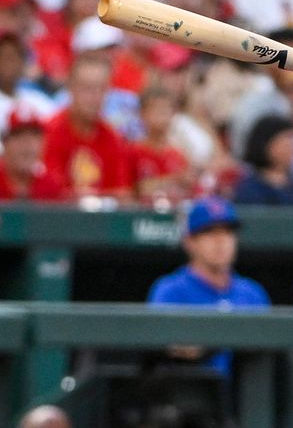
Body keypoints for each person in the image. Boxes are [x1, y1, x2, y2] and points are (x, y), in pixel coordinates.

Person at [147, 196, 270, 376]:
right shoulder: (170, 290)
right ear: (190, 242)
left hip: (246, 395)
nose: (221, 241)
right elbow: (171, 347)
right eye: (210, 232)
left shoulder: (252, 293)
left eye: (227, 232)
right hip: (191, 392)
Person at [41, 54, 131, 201]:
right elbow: (48, 195)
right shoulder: (49, 133)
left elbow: (122, 194)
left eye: (101, 89)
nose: (95, 97)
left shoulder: (112, 138)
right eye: (87, 88)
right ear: (70, 88)